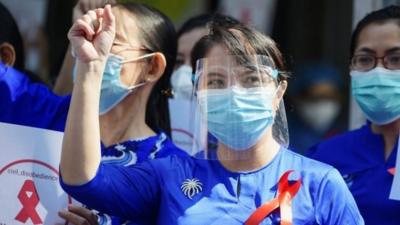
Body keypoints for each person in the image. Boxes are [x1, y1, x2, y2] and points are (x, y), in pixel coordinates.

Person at [60, 5, 364, 224]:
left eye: (251, 79)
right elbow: (82, 180)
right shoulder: (168, 174)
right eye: (216, 82)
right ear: (198, 94)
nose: (234, 91)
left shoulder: (321, 183)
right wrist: (91, 69)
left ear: (279, 91)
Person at [0, 2, 186, 225]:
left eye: (110, 41)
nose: (91, 46)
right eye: (89, 36)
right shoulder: (45, 111)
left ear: (153, 67)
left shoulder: (172, 168)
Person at [307, 5, 400, 225]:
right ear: (351, 67)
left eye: (395, 58)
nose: (379, 71)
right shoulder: (325, 157)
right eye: (365, 60)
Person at [287, 62, 345, 153]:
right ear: (298, 98)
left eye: (330, 97)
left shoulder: (345, 133)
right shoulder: (283, 137)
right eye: (316, 98)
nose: (323, 103)